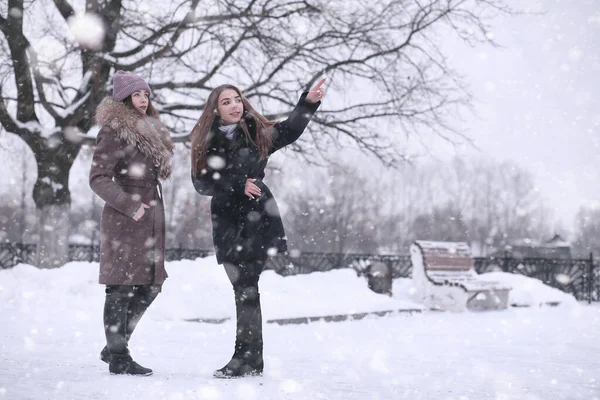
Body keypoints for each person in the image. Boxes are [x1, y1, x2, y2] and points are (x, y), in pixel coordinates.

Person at [190, 78, 326, 378]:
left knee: (246, 288)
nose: (234, 105)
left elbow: (290, 129)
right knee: (244, 290)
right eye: (226, 102)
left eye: (236, 99)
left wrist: (308, 103)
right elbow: (200, 183)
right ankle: (251, 358)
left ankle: (246, 358)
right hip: (227, 220)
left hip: (257, 218)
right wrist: (237, 183)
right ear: (215, 110)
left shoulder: (256, 133)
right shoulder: (204, 141)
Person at [90, 70, 174, 376]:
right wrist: (130, 205)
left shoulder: (150, 131)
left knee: (152, 284)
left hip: (152, 218)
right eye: (136, 94)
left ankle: (114, 345)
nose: (142, 99)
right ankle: (119, 357)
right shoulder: (113, 131)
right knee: (120, 287)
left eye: (146, 94)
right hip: (124, 219)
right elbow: (97, 178)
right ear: (124, 98)